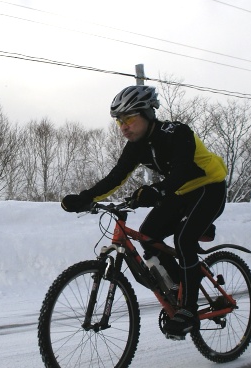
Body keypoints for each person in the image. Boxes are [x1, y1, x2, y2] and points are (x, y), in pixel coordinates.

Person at [61, 85, 227, 337]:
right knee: (148, 234)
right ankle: (183, 284)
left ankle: (189, 310)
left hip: (208, 187)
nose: (123, 126)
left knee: (184, 239)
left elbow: (182, 170)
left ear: (148, 113)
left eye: (128, 118)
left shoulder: (177, 132)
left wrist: (157, 190)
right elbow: (115, 178)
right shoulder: (135, 146)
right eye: (119, 121)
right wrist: (85, 198)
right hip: (179, 193)